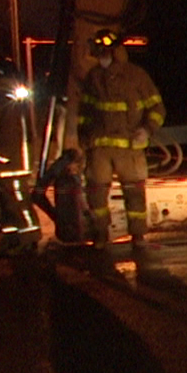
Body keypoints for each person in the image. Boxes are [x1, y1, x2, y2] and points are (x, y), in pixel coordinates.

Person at [78, 28, 164, 246]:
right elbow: (85, 112)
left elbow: (157, 108)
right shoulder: (93, 77)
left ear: (114, 51)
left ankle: (138, 235)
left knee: (134, 192)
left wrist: (147, 129)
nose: (101, 57)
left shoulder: (136, 75)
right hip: (99, 148)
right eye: (99, 53)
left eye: (104, 52)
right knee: (96, 194)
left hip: (129, 146)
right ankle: (100, 234)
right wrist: (83, 138)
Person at [0, 59, 40, 256]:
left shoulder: (2, 104)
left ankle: (28, 239)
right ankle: (12, 239)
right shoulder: (10, 103)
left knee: (17, 203)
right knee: (7, 205)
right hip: (6, 163)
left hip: (10, 164)